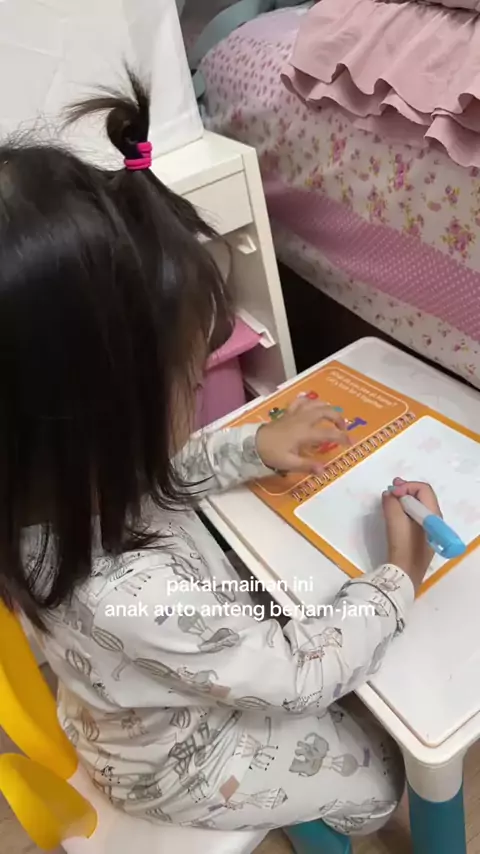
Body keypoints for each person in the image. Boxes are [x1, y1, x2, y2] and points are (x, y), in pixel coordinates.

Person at [0, 70, 441, 836]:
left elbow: (156, 477)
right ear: (103, 420)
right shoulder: (132, 593)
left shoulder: (47, 491)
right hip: (185, 759)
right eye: (189, 372)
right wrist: (399, 575)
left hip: (136, 692)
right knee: (379, 773)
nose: (201, 382)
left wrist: (251, 446)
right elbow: (299, 676)